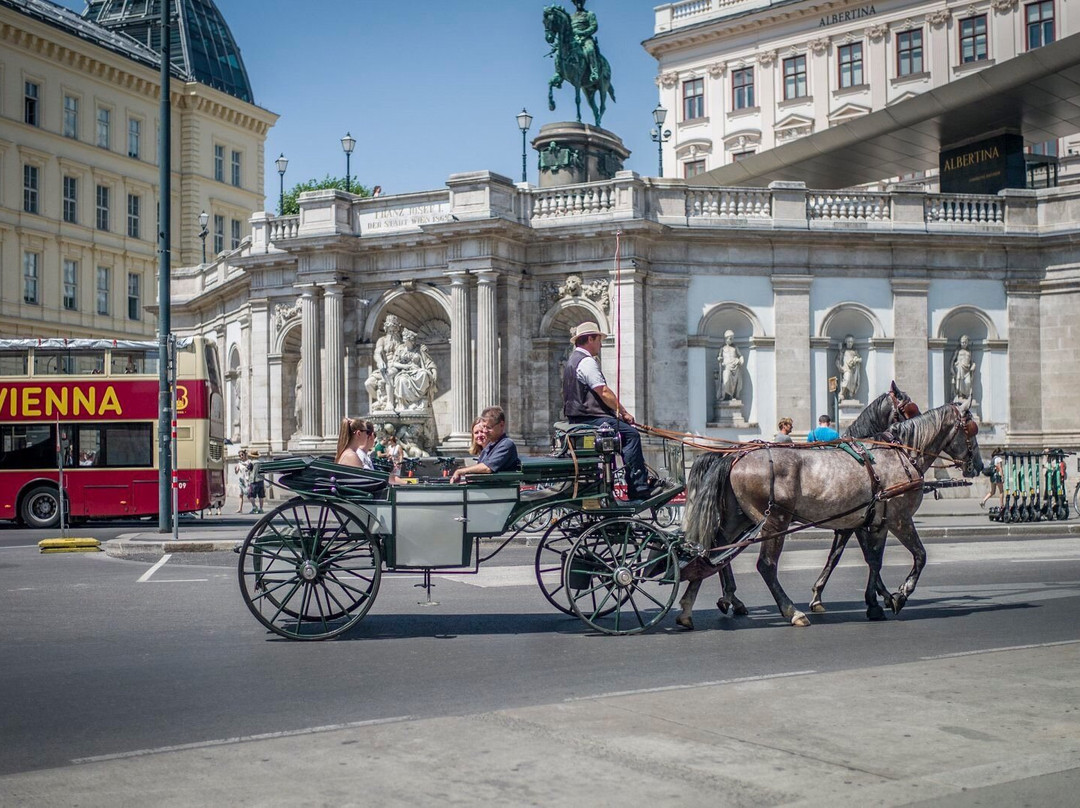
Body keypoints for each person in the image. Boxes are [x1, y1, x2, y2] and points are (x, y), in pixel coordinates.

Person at [562, 321, 660, 500]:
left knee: (626, 432)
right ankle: (638, 487)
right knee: (631, 435)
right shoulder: (586, 362)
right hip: (589, 417)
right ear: (590, 339)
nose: (600, 344)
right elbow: (603, 391)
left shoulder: (572, 360)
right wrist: (623, 412)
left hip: (579, 417)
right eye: (599, 340)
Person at [450, 406, 520, 482]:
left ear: (501, 425)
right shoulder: (489, 446)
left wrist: (460, 471)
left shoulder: (506, 444)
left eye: (489, 427)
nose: (485, 431)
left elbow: (487, 468)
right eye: (484, 427)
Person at [570, 0, 602, 84]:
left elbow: (594, 26)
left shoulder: (589, 14)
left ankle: (594, 71)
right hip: (574, 40)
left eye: (581, 1)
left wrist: (583, 32)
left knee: (590, 49)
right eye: (577, 1)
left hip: (586, 38)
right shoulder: (570, 17)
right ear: (574, 3)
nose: (579, 3)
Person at [717, 330, 744, 401]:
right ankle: (723, 396)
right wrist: (719, 359)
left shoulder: (735, 347)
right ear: (726, 338)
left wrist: (741, 361)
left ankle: (732, 396)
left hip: (735, 366)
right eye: (730, 338)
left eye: (732, 338)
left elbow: (740, 355)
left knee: (734, 383)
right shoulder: (722, 348)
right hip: (727, 367)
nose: (731, 340)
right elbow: (719, 357)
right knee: (726, 381)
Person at [836, 335, 862, 400]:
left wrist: (857, 360)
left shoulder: (855, 351)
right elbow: (838, 360)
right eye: (849, 341)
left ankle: (851, 396)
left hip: (854, 370)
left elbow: (859, 358)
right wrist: (840, 367)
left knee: (853, 383)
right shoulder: (843, 351)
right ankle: (841, 393)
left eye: (851, 342)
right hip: (846, 369)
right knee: (846, 380)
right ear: (846, 342)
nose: (850, 343)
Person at [952, 334, 976, 400]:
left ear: (967, 343)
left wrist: (973, 365)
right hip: (960, 369)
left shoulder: (969, 352)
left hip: (967, 370)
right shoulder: (958, 351)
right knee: (960, 383)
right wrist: (953, 367)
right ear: (960, 342)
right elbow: (953, 360)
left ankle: (967, 396)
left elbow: (972, 361)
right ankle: (960, 396)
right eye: (962, 342)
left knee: (968, 382)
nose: (964, 344)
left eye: (965, 342)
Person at [234, 449, 250, 513]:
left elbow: (250, 470)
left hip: (247, 480)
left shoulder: (249, 462)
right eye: (239, 455)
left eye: (242, 455)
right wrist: (235, 469)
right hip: (241, 480)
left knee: (249, 494)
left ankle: (254, 506)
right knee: (240, 495)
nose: (241, 456)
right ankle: (240, 509)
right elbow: (236, 472)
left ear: (245, 455)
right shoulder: (239, 463)